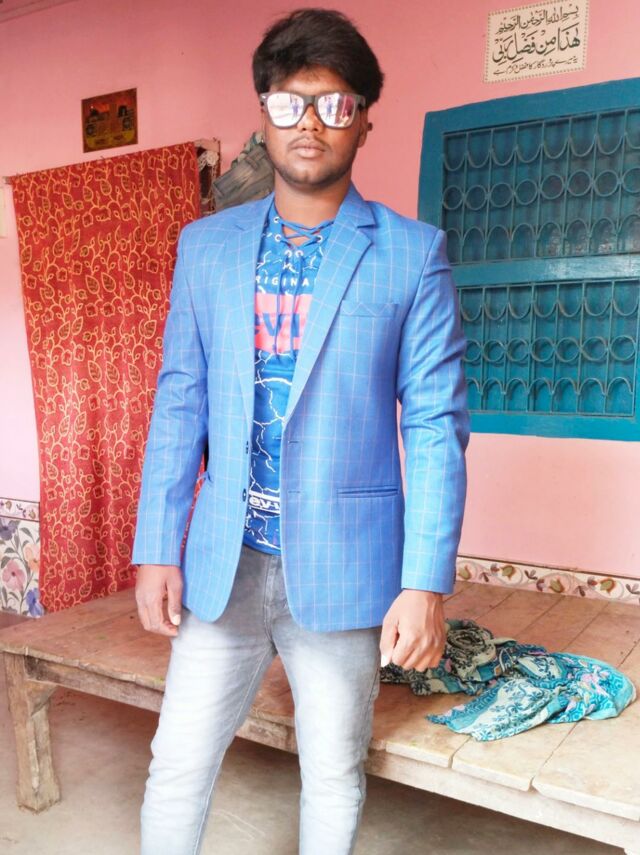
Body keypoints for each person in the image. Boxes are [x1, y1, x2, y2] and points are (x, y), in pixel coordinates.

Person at [131, 8, 469, 854]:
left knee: (333, 773)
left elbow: (435, 423)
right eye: (289, 103)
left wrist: (425, 582)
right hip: (225, 562)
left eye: (334, 104)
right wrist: (157, 545)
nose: (309, 123)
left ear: (364, 121)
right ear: (264, 114)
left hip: (345, 569)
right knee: (176, 764)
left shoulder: (410, 254)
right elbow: (179, 400)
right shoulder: (205, 247)